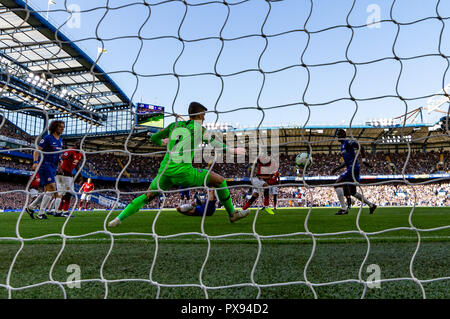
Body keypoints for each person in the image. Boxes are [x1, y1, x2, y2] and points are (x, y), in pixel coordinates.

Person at [108, 101, 250, 227]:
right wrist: (232, 150)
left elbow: (154, 139)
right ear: (200, 115)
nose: (205, 118)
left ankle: (118, 219)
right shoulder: (199, 129)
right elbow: (214, 143)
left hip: (165, 172)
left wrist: (163, 143)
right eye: (204, 115)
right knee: (220, 181)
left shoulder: (173, 125)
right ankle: (232, 214)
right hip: (183, 173)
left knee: (147, 196)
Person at [331, 129, 377, 215]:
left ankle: (344, 208)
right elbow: (347, 161)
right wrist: (337, 168)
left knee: (337, 184)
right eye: (337, 135)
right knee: (353, 192)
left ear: (343, 135)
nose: (338, 137)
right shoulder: (342, 146)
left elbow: (360, 147)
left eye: (339, 135)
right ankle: (371, 205)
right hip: (351, 167)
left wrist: (364, 160)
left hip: (353, 168)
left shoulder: (348, 142)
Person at [25, 120, 65, 220]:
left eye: (63, 127)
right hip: (45, 166)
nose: (62, 128)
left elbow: (57, 154)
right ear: (55, 127)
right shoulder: (47, 138)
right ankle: (41, 213)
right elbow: (37, 151)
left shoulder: (60, 140)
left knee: (49, 191)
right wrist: (35, 162)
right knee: (52, 187)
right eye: (60, 127)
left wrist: (60, 163)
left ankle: (30, 208)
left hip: (53, 167)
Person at [55, 141, 83, 216]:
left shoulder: (80, 154)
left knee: (66, 193)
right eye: (79, 144)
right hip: (63, 173)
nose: (80, 145)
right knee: (67, 193)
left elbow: (76, 165)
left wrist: (79, 175)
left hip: (69, 175)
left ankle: (59, 211)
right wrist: (60, 169)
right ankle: (64, 211)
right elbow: (61, 158)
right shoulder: (70, 151)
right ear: (76, 144)